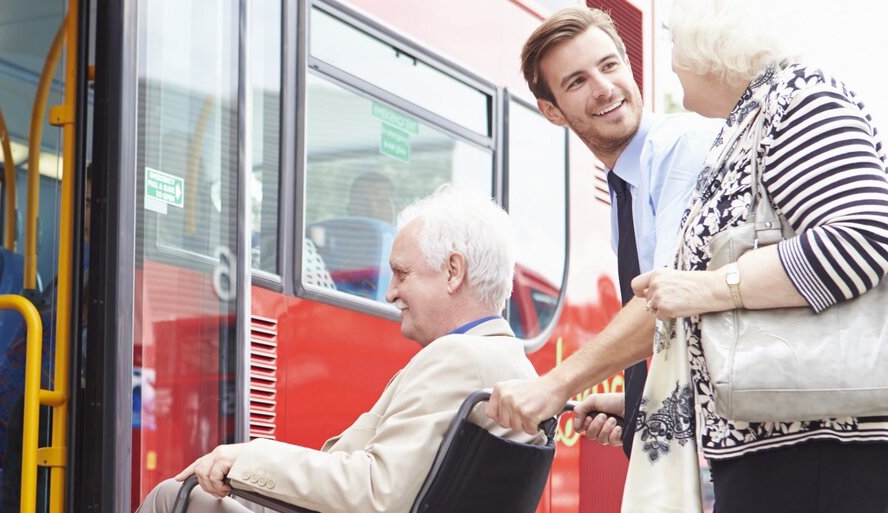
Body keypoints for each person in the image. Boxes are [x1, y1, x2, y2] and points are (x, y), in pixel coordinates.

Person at [617, 0, 888, 510]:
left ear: (708, 47)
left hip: (821, 450)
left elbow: (862, 237)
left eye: (673, 42)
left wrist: (704, 288)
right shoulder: (752, 121)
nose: (670, 61)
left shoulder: (801, 98)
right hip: (785, 448)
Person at [135, 186, 542, 513]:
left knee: (176, 497)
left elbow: (377, 493)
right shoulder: (516, 368)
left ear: (453, 272)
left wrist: (246, 458)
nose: (390, 292)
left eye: (401, 273)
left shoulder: (457, 358)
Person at [483, 6, 719, 453]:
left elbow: (673, 298)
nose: (604, 88)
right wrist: (637, 402)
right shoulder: (625, 186)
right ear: (552, 111)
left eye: (609, 66)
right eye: (577, 81)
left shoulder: (678, 150)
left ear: (628, 66)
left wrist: (554, 385)